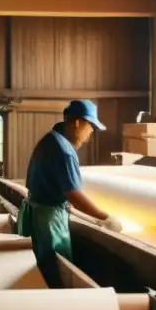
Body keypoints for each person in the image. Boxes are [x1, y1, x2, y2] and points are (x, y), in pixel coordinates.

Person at [19, 99, 122, 288]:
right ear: (77, 123)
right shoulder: (64, 151)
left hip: (37, 212)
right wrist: (104, 217)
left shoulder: (50, 139)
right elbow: (73, 193)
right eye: (90, 126)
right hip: (49, 220)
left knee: (40, 268)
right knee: (55, 270)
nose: (90, 133)